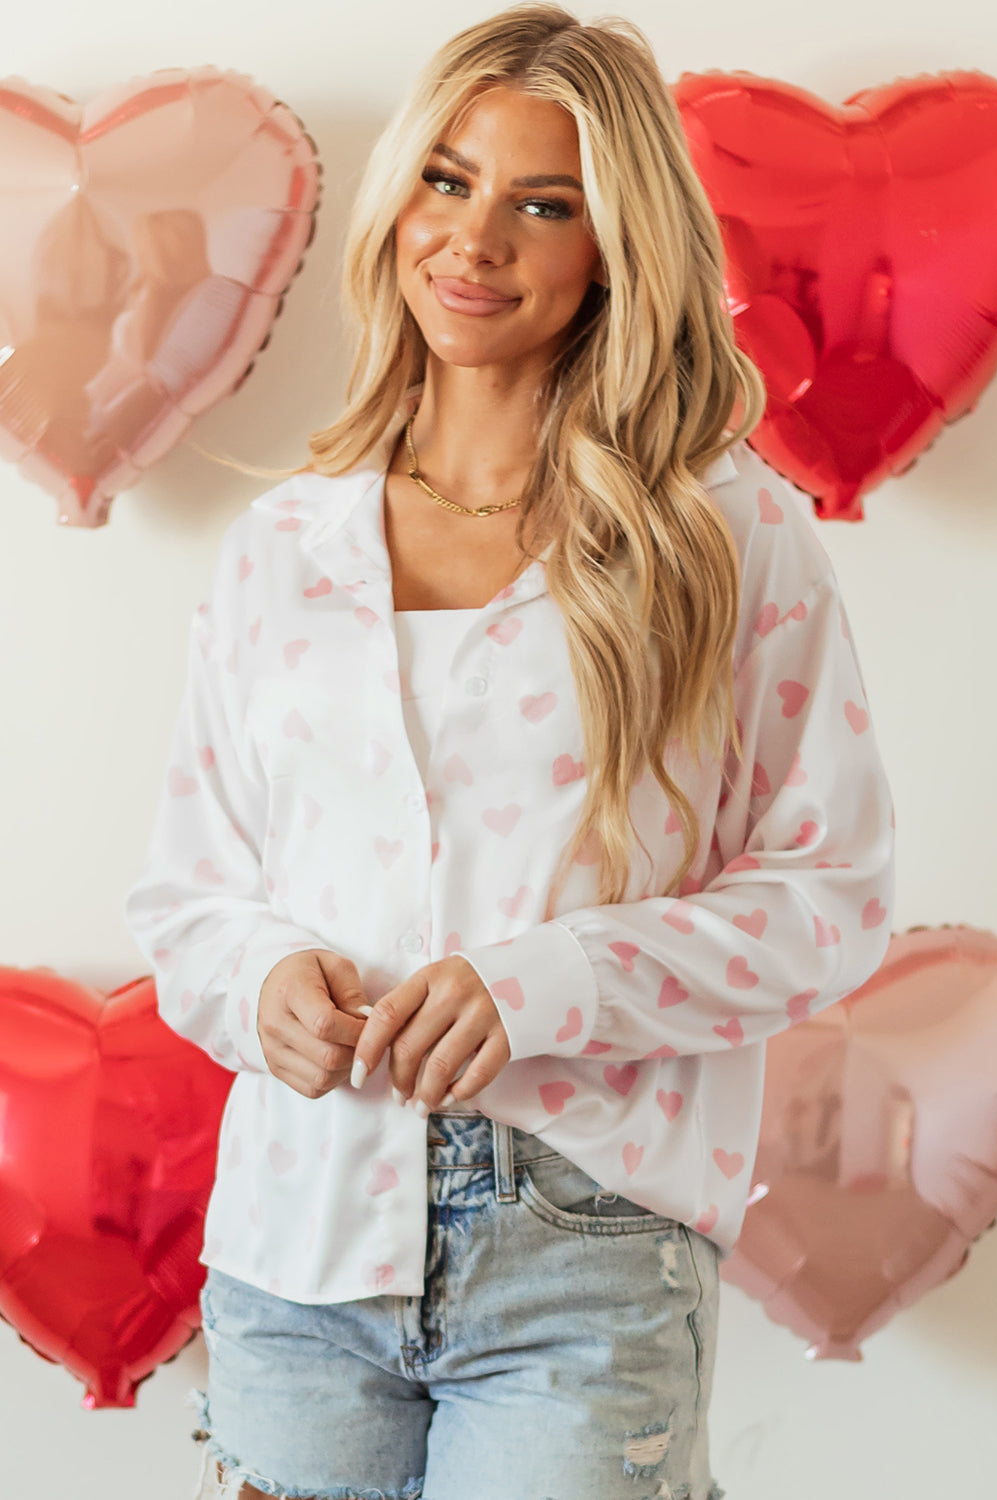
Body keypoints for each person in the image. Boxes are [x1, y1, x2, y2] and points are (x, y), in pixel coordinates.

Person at [123, 6, 895, 1498]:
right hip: (295, 1244)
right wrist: (262, 982)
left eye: (544, 205)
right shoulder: (281, 546)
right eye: (447, 179)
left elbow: (829, 895)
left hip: (582, 1248)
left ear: (614, 247)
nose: (473, 240)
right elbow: (191, 897)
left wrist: (545, 983)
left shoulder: (724, 538)